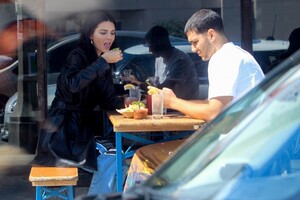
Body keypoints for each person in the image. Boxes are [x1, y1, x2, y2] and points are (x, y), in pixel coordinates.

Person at [124, 9, 265, 190]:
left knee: (143, 157)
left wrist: (173, 102)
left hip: (235, 149)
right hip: (247, 144)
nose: (193, 49)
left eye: (195, 42)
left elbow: (214, 111)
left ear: (211, 34)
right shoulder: (236, 55)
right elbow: (215, 105)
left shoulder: (223, 59)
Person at [31, 11, 124, 172]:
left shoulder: (102, 60)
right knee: (113, 156)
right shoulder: (78, 56)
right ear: (90, 34)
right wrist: (103, 61)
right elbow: (73, 85)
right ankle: (98, 197)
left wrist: (127, 102)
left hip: (81, 133)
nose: (109, 38)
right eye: (103, 33)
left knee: (119, 156)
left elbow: (106, 100)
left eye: (112, 33)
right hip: (62, 136)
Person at [128, 25, 200, 100]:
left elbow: (164, 89)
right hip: (167, 105)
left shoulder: (180, 60)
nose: (149, 50)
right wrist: (137, 82)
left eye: (150, 45)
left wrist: (138, 84)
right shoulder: (159, 59)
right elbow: (156, 84)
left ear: (159, 43)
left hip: (183, 108)